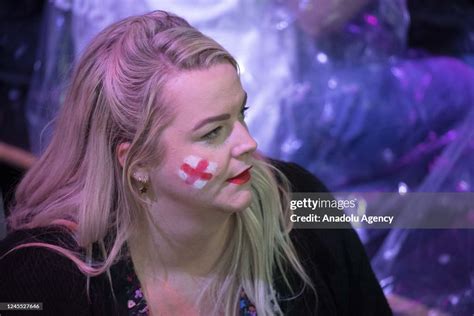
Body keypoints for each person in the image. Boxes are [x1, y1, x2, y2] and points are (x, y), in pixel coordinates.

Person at [0, 11, 391, 316]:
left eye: (242, 114)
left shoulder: (301, 196)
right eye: (212, 133)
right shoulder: (40, 277)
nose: (249, 144)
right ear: (135, 162)